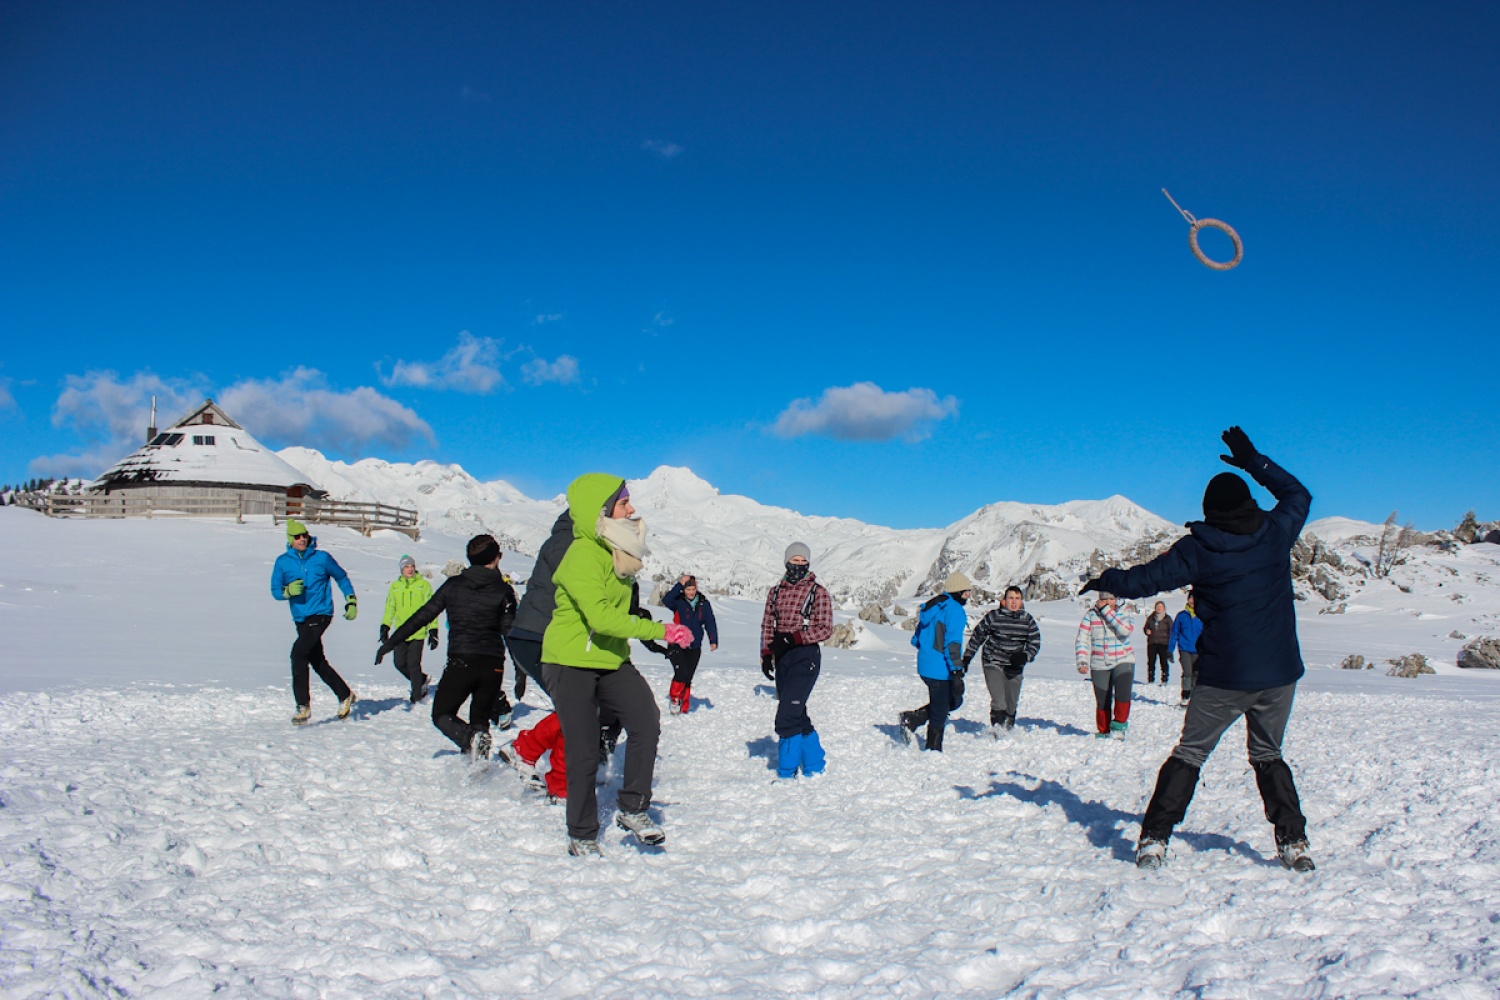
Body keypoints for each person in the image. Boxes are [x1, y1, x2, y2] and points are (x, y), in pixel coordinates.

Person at [1081, 426, 1316, 873]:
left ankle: (1154, 838)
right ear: (1248, 503)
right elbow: (1297, 494)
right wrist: (1253, 459)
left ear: (1209, 511)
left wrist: (1107, 580)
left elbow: (1143, 580)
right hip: (1280, 675)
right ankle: (1294, 842)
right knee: (1268, 756)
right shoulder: (1275, 532)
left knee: (1190, 755)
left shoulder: (1200, 548)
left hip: (1226, 676)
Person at [543, 476, 693, 857]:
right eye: (624, 503)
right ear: (602, 510)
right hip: (569, 661)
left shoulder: (618, 553)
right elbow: (601, 618)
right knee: (582, 749)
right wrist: (662, 629)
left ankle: (633, 808)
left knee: (646, 720)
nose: (631, 510)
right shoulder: (582, 554)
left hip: (611, 660)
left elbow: (620, 616)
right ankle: (582, 833)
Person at [376, 534, 517, 762]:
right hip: (492, 664)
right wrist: (521, 671)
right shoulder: (504, 591)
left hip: (461, 661)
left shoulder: (454, 585)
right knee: (480, 722)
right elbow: (511, 633)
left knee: (442, 714)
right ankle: (478, 769)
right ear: (496, 559)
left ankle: (469, 741)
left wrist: (391, 642)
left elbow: (422, 616)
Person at [269, 518, 357, 725]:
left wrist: (351, 600)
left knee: (298, 653)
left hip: (321, 613)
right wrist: (287, 591)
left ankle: (303, 706)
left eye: (304, 535)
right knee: (316, 660)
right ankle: (345, 694)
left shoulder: (322, 558)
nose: (302, 539)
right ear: (290, 539)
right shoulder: (282, 562)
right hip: (300, 617)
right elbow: (275, 590)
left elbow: (342, 577)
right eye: (297, 536)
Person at [760, 543, 835, 778]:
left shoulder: (818, 592)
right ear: (787, 562)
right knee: (797, 711)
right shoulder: (775, 592)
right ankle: (814, 765)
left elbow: (825, 629)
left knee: (787, 714)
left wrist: (794, 638)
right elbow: (767, 624)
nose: (799, 566)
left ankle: (786, 772)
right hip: (782, 658)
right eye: (795, 561)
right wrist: (766, 654)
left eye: (804, 562)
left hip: (805, 656)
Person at [898, 572, 972, 751]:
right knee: (942, 707)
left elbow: (916, 639)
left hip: (926, 664)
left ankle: (914, 718)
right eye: (966, 592)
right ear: (957, 592)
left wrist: (927, 651)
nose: (968, 595)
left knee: (951, 701)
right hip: (941, 668)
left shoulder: (934, 605)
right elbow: (952, 643)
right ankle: (933, 747)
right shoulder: (955, 610)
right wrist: (956, 670)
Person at [962, 585, 1041, 734]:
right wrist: (967, 658)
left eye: (1017, 598)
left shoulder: (1027, 620)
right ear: (1004, 600)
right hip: (993, 661)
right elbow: (977, 637)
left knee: (1011, 704)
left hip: (1015, 665)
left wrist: (1025, 656)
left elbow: (1035, 642)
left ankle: (1008, 728)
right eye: (1011, 598)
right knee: (999, 701)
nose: (1014, 602)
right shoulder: (994, 617)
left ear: (1022, 601)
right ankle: (997, 731)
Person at [1075, 592, 1135, 738]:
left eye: (1111, 599)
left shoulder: (1124, 611)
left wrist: (1106, 612)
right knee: (1102, 700)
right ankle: (1104, 730)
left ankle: (1119, 726)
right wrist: (1082, 660)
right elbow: (1082, 639)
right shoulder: (1090, 615)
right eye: (1104, 599)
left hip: (1123, 658)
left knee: (1123, 694)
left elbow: (1125, 631)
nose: (1108, 602)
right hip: (1099, 662)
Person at [381, 554, 439, 703]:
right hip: (401, 632)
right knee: (399, 663)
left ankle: (417, 696)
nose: (410, 569)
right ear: (401, 569)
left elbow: (432, 609)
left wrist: (433, 630)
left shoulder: (423, 586)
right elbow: (390, 608)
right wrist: (385, 626)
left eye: (412, 566)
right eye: (407, 566)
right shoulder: (395, 586)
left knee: (413, 664)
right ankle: (421, 680)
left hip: (418, 631)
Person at [661, 574, 719, 714]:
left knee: (688, 676)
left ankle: (684, 702)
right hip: (677, 643)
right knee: (681, 672)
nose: (691, 592)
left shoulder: (703, 604)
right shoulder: (678, 602)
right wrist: (679, 585)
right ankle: (675, 699)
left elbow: (710, 622)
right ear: (684, 590)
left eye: (693, 589)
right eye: (688, 590)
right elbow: (666, 600)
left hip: (694, 645)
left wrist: (713, 640)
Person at [1169, 591, 1203, 706]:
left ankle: (1194, 696)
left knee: (1196, 673)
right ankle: (1186, 695)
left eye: (1195, 599)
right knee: (1187, 672)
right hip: (1185, 649)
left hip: (1198, 650)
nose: (1192, 601)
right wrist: (1170, 649)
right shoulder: (1182, 615)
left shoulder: (1202, 616)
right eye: (1190, 598)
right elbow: (1174, 633)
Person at [1143, 601, 1172, 684]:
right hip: (1152, 643)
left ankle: (1164, 679)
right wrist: (1146, 631)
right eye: (1157, 607)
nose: (1159, 608)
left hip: (1164, 643)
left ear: (1164, 608)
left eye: (1161, 607)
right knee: (1151, 661)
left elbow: (1172, 630)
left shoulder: (1167, 619)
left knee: (1163, 661)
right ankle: (1151, 679)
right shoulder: (1151, 618)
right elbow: (1145, 628)